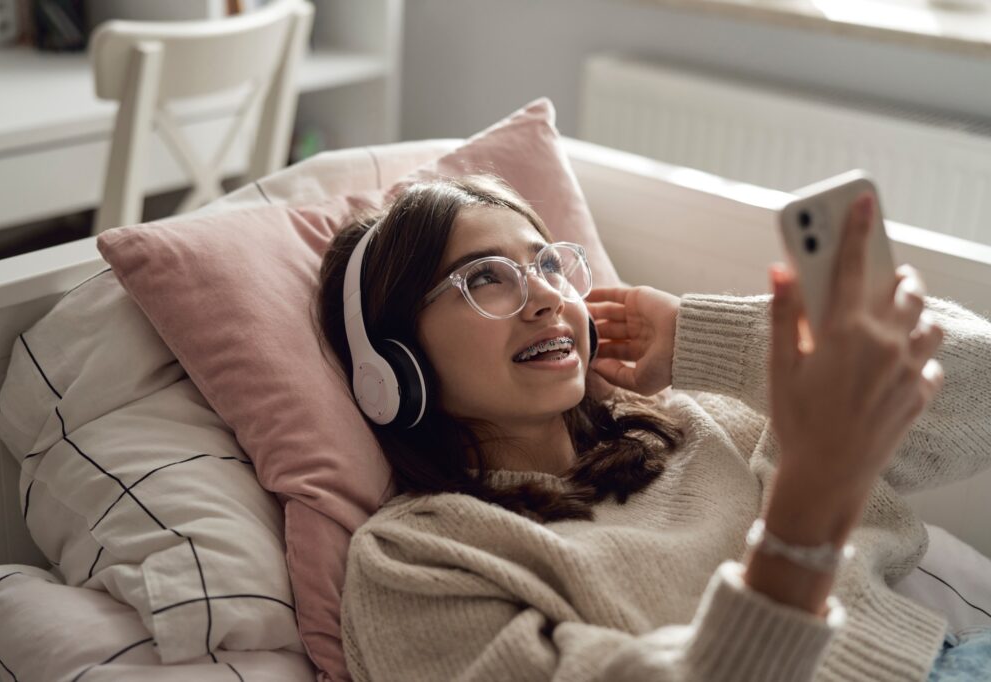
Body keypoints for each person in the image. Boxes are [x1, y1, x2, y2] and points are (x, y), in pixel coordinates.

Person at [316, 174, 991, 681]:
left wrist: (705, 339)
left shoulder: (690, 420)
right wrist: (802, 520)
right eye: (487, 278)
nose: (549, 296)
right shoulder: (417, 560)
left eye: (548, 263)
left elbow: (982, 391)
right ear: (393, 366)